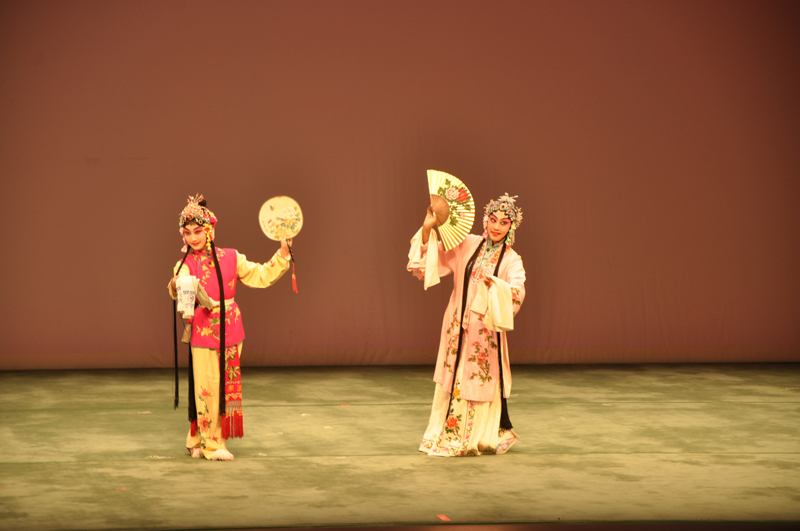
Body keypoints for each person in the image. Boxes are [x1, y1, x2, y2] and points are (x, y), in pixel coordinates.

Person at [168, 194, 291, 460]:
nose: (193, 238)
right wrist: (179, 284)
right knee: (207, 387)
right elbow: (178, 283)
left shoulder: (231, 257)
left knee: (222, 386)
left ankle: (195, 439)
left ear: (209, 230)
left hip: (231, 328)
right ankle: (213, 445)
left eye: (198, 231)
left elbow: (260, 275)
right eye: (187, 233)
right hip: (203, 329)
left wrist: (282, 253)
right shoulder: (185, 263)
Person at [407, 193, 526, 456]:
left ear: (511, 227)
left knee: (476, 379)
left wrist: (497, 287)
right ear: (485, 220)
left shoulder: (512, 259)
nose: (496, 227)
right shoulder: (468, 244)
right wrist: (427, 228)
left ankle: (475, 436)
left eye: (504, 222)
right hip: (456, 326)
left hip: (484, 334)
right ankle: (445, 433)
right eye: (493, 219)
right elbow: (432, 258)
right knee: (454, 376)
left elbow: (517, 289)